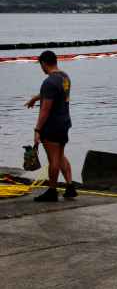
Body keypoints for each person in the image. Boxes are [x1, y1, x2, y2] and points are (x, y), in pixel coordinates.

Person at [25, 51, 76, 202]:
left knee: (53, 158)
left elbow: (45, 110)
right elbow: (54, 93)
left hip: (52, 125)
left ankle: (52, 191)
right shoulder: (64, 77)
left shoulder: (48, 82)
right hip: (64, 122)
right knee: (60, 155)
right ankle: (70, 187)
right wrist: (36, 97)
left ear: (43, 63)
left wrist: (37, 130)